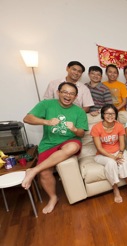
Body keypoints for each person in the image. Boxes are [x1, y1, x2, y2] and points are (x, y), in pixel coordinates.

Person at [22, 82, 88, 214]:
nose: (68, 95)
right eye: (65, 92)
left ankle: (33, 170)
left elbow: (82, 133)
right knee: (45, 173)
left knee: (72, 147)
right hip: (49, 143)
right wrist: (46, 121)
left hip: (69, 140)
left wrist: (74, 129)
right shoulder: (46, 104)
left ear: (75, 97)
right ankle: (53, 198)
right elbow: (27, 118)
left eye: (71, 94)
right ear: (58, 92)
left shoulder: (79, 111)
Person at [90, 104, 127, 203]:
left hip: (118, 151)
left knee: (125, 161)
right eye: (107, 114)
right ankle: (115, 189)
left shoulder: (119, 126)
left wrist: (120, 153)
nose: (110, 116)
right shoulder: (96, 128)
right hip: (102, 154)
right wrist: (112, 157)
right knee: (111, 163)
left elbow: (122, 143)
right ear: (103, 115)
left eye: (113, 114)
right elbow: (99, 148)